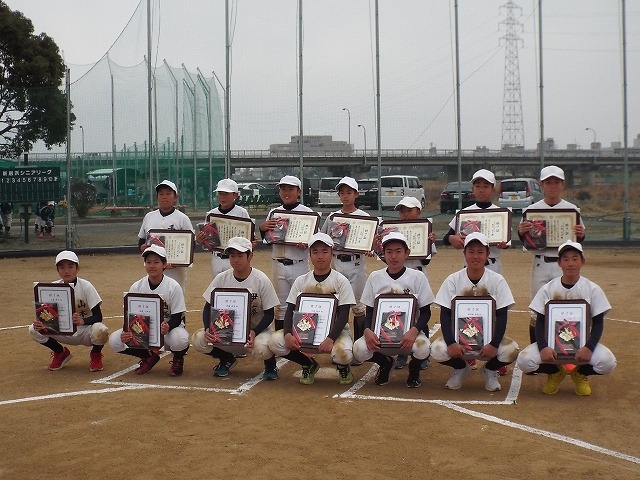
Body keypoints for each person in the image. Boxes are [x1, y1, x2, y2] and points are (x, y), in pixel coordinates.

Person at [516, 241, 616, 396]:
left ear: (582, 262)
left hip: (581, 347)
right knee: (524, 361)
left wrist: (589, 347)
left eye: (575, 259)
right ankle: (555, 372)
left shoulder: (592, 289)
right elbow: (540, 321)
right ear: (559, 263)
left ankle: (580, 373)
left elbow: (598, 323)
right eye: (566, 259)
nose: (570, 263)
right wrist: (543, 347)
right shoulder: (548, 289)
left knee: (608, 363)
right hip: (553, 347)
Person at [430, 232, 519, 391]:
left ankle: (490, 370)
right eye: (471, 251)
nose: (475, 256)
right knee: (437, 350)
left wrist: (494, 344)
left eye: (480, 252)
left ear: (487, 254)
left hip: (488, 340)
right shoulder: (453, 279)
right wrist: (451, 343)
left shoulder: (497, 280)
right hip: (459, 339)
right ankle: (461, 368)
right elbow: (445, 313)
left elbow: (502, 315)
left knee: (511, 350)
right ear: (464, 253)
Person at [442, 169, 510, 373]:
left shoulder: (500, 213)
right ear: (472, 189)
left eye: (486, 186)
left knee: (494, 310)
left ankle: (493, 355)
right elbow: (447, 236)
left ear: (493, 189)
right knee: (467, 309)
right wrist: (451, 238)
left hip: (493, 266)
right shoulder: (465, 213)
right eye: (477, 186)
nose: (481, 189)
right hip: (470, 267)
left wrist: (505, 242)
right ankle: (468, 348)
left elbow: (508, 240)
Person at [270, 232, 356, 385]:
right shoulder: (301, 280)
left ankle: (343, 367)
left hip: (336, 333)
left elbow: (344, 315)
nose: (320, 256)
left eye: (325, 251)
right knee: (275, 342)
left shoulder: (340, 281)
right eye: (315, 252)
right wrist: (288, 334)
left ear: (332, 253)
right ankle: (308, 364)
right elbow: (290, 310)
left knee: (344, 353)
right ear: (309, 255)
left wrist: (330, 338)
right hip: (304, 331)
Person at [352, 232, 434, 388]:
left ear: (407, 253)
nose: (394, 256)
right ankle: (385, 363)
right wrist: (367, 331)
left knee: (423, 348)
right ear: (383, 253)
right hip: (382, 335)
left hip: (408, 335)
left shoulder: (417, 277)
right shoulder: (375, 277)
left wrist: (414, 331)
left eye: (398, 251)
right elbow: (370, 312)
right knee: (359, 350)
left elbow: (426, 312)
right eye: (389, 252)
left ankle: (414, 368)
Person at [191, 237, 280, 380]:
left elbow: (269, 313)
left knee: (262, 347)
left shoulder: (261, 280)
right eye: (232, 256)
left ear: (250, 256)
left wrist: (254, 332)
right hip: (227, 331)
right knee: (199, 339)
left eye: (240, 255)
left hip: (255, 333)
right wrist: (207, 328)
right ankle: (226, 359)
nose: (236, 260)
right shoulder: (221, 278)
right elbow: (207, 307)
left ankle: (270, 365)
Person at [518, 165, 586, 343]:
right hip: (540, 262)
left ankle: (566, 346)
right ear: (541, 184)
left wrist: (580, 234)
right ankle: (536, 349)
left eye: (556, 182)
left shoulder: (571, 210)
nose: (552, 186)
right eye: (548, 182)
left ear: (563, 184)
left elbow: (579, 240)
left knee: (565, 305)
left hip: (564, 264)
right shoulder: (532, 210)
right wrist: (521, 232)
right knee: (537, 309)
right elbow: (527, 242)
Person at [108, 245, 190, 376]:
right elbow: (129, 315)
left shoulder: (173, 286)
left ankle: (178, 360)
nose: (152, 266)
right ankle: (148, 356)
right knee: (115, 341)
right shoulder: (137, 286)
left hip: (167, 331)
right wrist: (126, 331)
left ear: (164, 264)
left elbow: (178, 316)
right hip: (143, 330)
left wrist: (168, 326)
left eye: (156, 262)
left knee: (180, 339)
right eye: (148, 262)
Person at [320, 176, 372, 359]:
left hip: (356, 264)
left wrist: (371, 247)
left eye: (349, 192)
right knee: (336, 304)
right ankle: (340, 342)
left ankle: (358, 348)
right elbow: (323, 238)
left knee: (358, 306)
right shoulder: (333, 217)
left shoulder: (364, 217)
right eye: (342, 192)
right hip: (336, 263)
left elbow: (373, 242)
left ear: (356, 194)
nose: (345, 196)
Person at [30, 251, 108, 371]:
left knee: (101, 330)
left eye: (70, 267)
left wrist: (82, 321)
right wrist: (40, 322)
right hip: (61, 331)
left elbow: (98, 316)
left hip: (84, 332)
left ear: (77, 268)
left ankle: (95, 354)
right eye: (62, 267)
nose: (66, 271)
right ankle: (60, 352)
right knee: (33, 329)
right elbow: (46, 314)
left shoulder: (86, 286)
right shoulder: (52, 288)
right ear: (57, 270)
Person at [258, 175, 315, 330]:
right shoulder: (274, 212)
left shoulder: (307, 213)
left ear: (299, 192)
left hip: (299, 264)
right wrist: (262, 229)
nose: (286, 192)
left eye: (291, 189)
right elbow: (268, 240)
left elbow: (314, 241)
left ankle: (302, 339)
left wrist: (308, 244)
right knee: (280, 307)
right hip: (278, 264)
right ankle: (281, 341)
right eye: (283, 189)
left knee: (301, 304)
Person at [391, 196, 437, 370]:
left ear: (419, 211)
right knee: (400, 313)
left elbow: (426, 261)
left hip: (417, 274)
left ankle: (423, 354)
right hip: (397, 276)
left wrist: (428, 242)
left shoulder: (425, 231)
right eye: (402, 211)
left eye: (409, 210)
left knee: (420, 313)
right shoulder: (393, 232)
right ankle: (403, 352)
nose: (405, 214)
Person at [138, 180, 194, 293]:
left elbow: (191, 244)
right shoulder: (149, 217)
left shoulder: (182, 218)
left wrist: (178, 261)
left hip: (175, 270)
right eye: (161, 194)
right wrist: (142, 248)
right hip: (154, 266)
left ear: (175, 197)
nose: (164, 197)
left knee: (175, 294)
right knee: (154, 295)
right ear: (157, 197)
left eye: (168, 193)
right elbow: (141, 240)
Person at [196, 178, 254, 279]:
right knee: (218, 285)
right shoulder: (211, 214)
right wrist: (201, 240)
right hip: (217, 258)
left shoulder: (242, 212)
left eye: (226, 194)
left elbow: (249, 236)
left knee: (236, 284)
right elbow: (207, 240)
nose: (222, 197)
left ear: (235, 195)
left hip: (234, 257)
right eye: (220, 193)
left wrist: (251, 242)